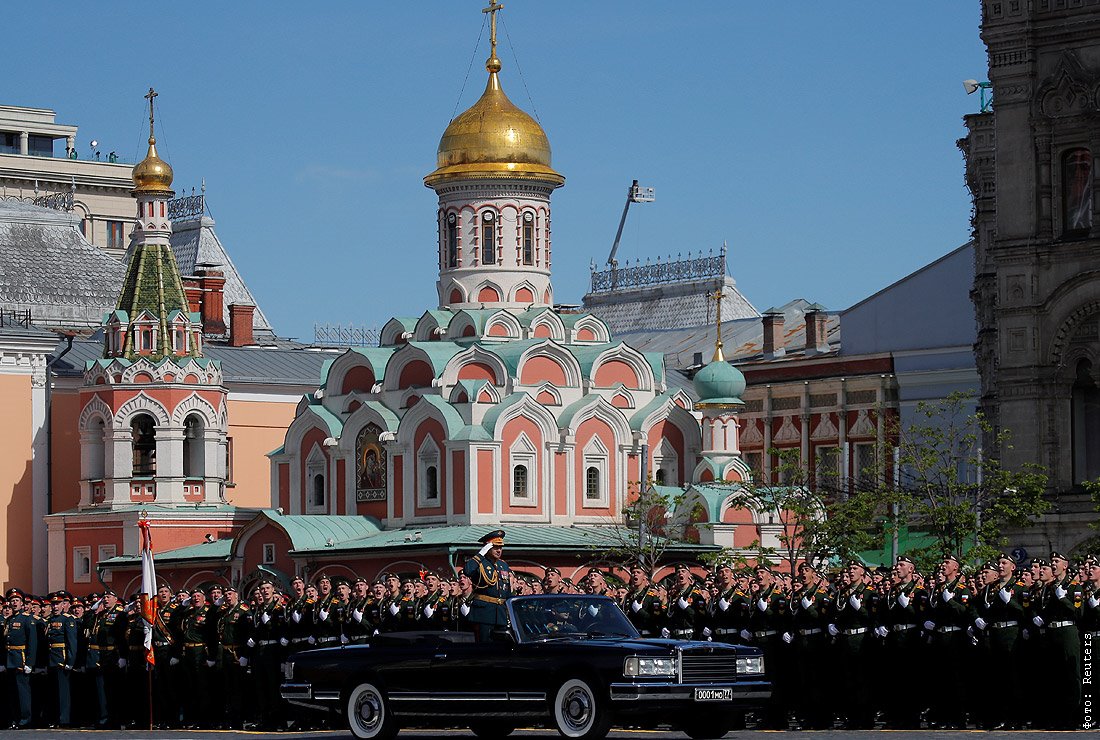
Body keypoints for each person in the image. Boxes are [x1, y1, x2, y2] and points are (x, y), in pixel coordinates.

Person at [462, 530, 512, 641]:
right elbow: (467, 571)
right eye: (495, 547)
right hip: (483, 614)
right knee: (484, 648)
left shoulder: (503, 565)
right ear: (487, 548)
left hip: (500, 615)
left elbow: (507, 591)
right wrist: (481, 554)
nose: (499, 550)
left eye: (500, 547)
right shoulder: (479, 563)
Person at [5, 590, 38, 729]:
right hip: (10, 659)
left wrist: (30, 663)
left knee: (23, 692)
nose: (14, 603)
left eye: (17, 600)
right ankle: (15, 719)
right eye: (12, 600)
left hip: (21, 659)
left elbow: (33, 642)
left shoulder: (27, 619)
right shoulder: (10, 619)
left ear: (22, 603)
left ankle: (25, 719)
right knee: (13, 692)